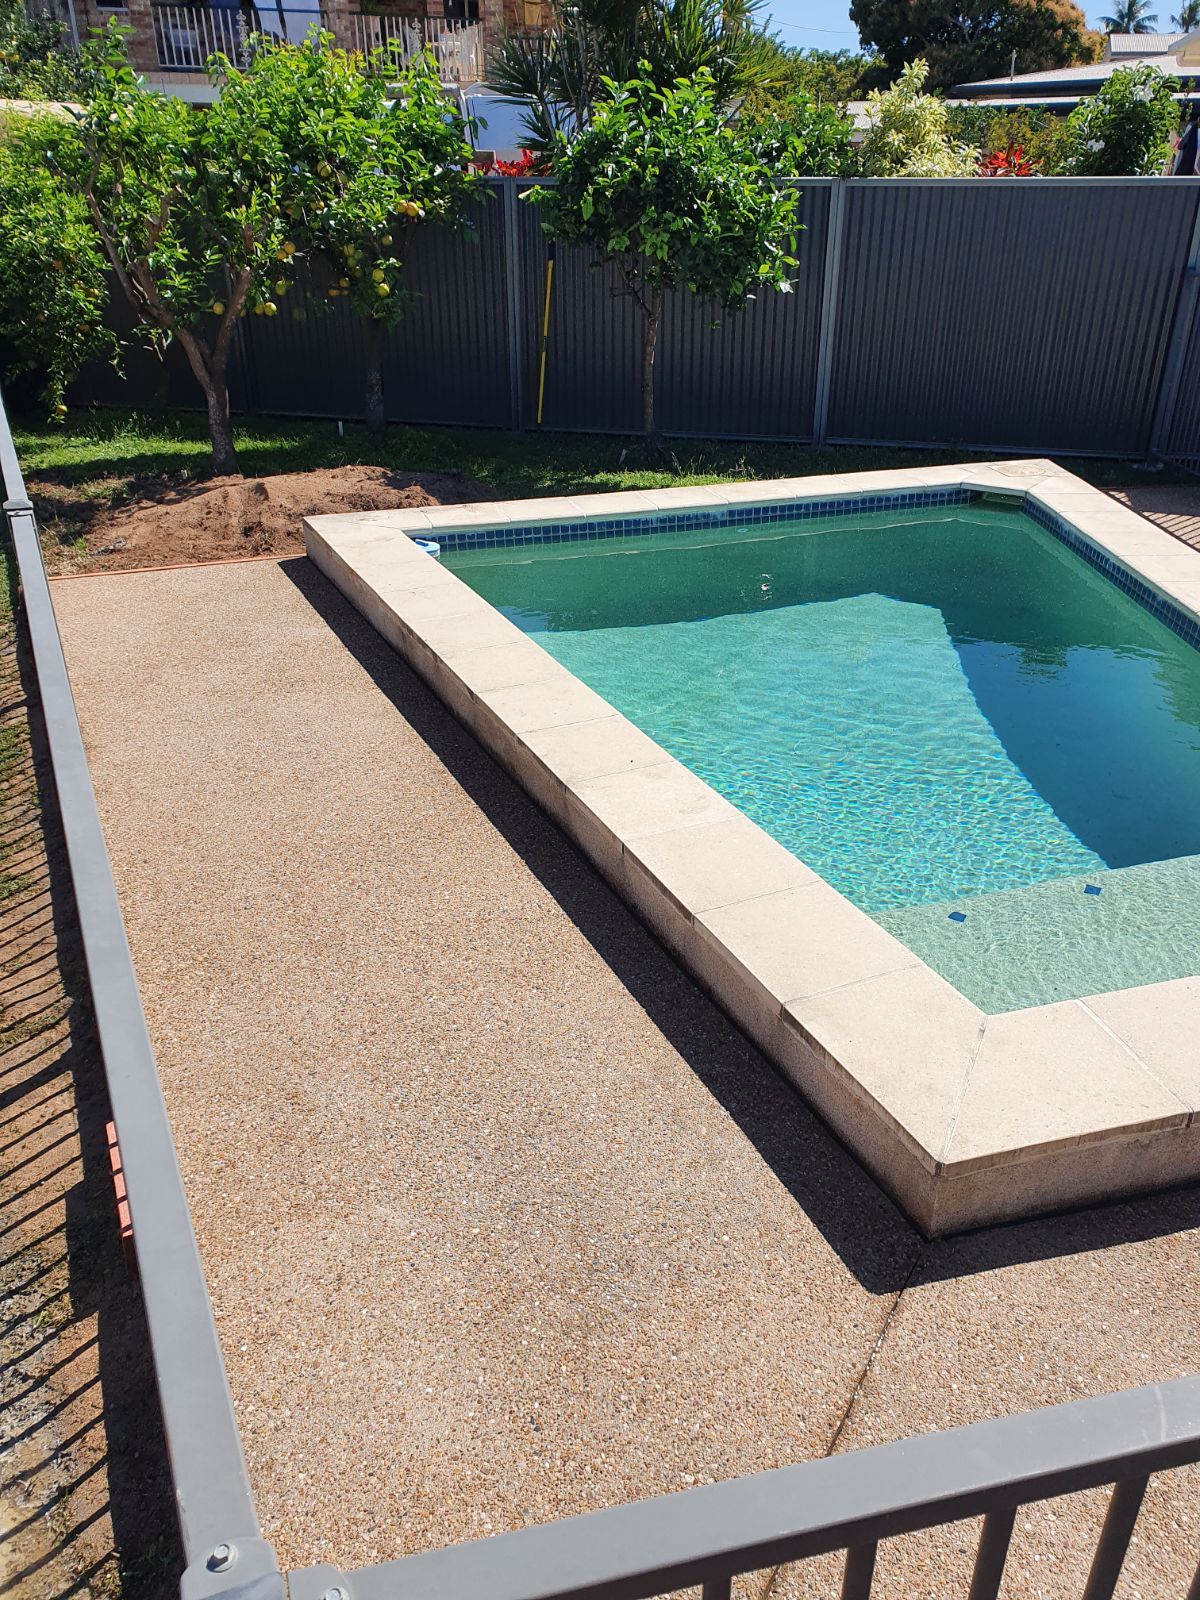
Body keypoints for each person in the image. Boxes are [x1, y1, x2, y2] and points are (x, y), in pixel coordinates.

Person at [1174, 108, 1200, 175]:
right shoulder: (1192, 129)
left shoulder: (1192, 128)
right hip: (1187, 168)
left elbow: (1181, 146)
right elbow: (1181, 146)